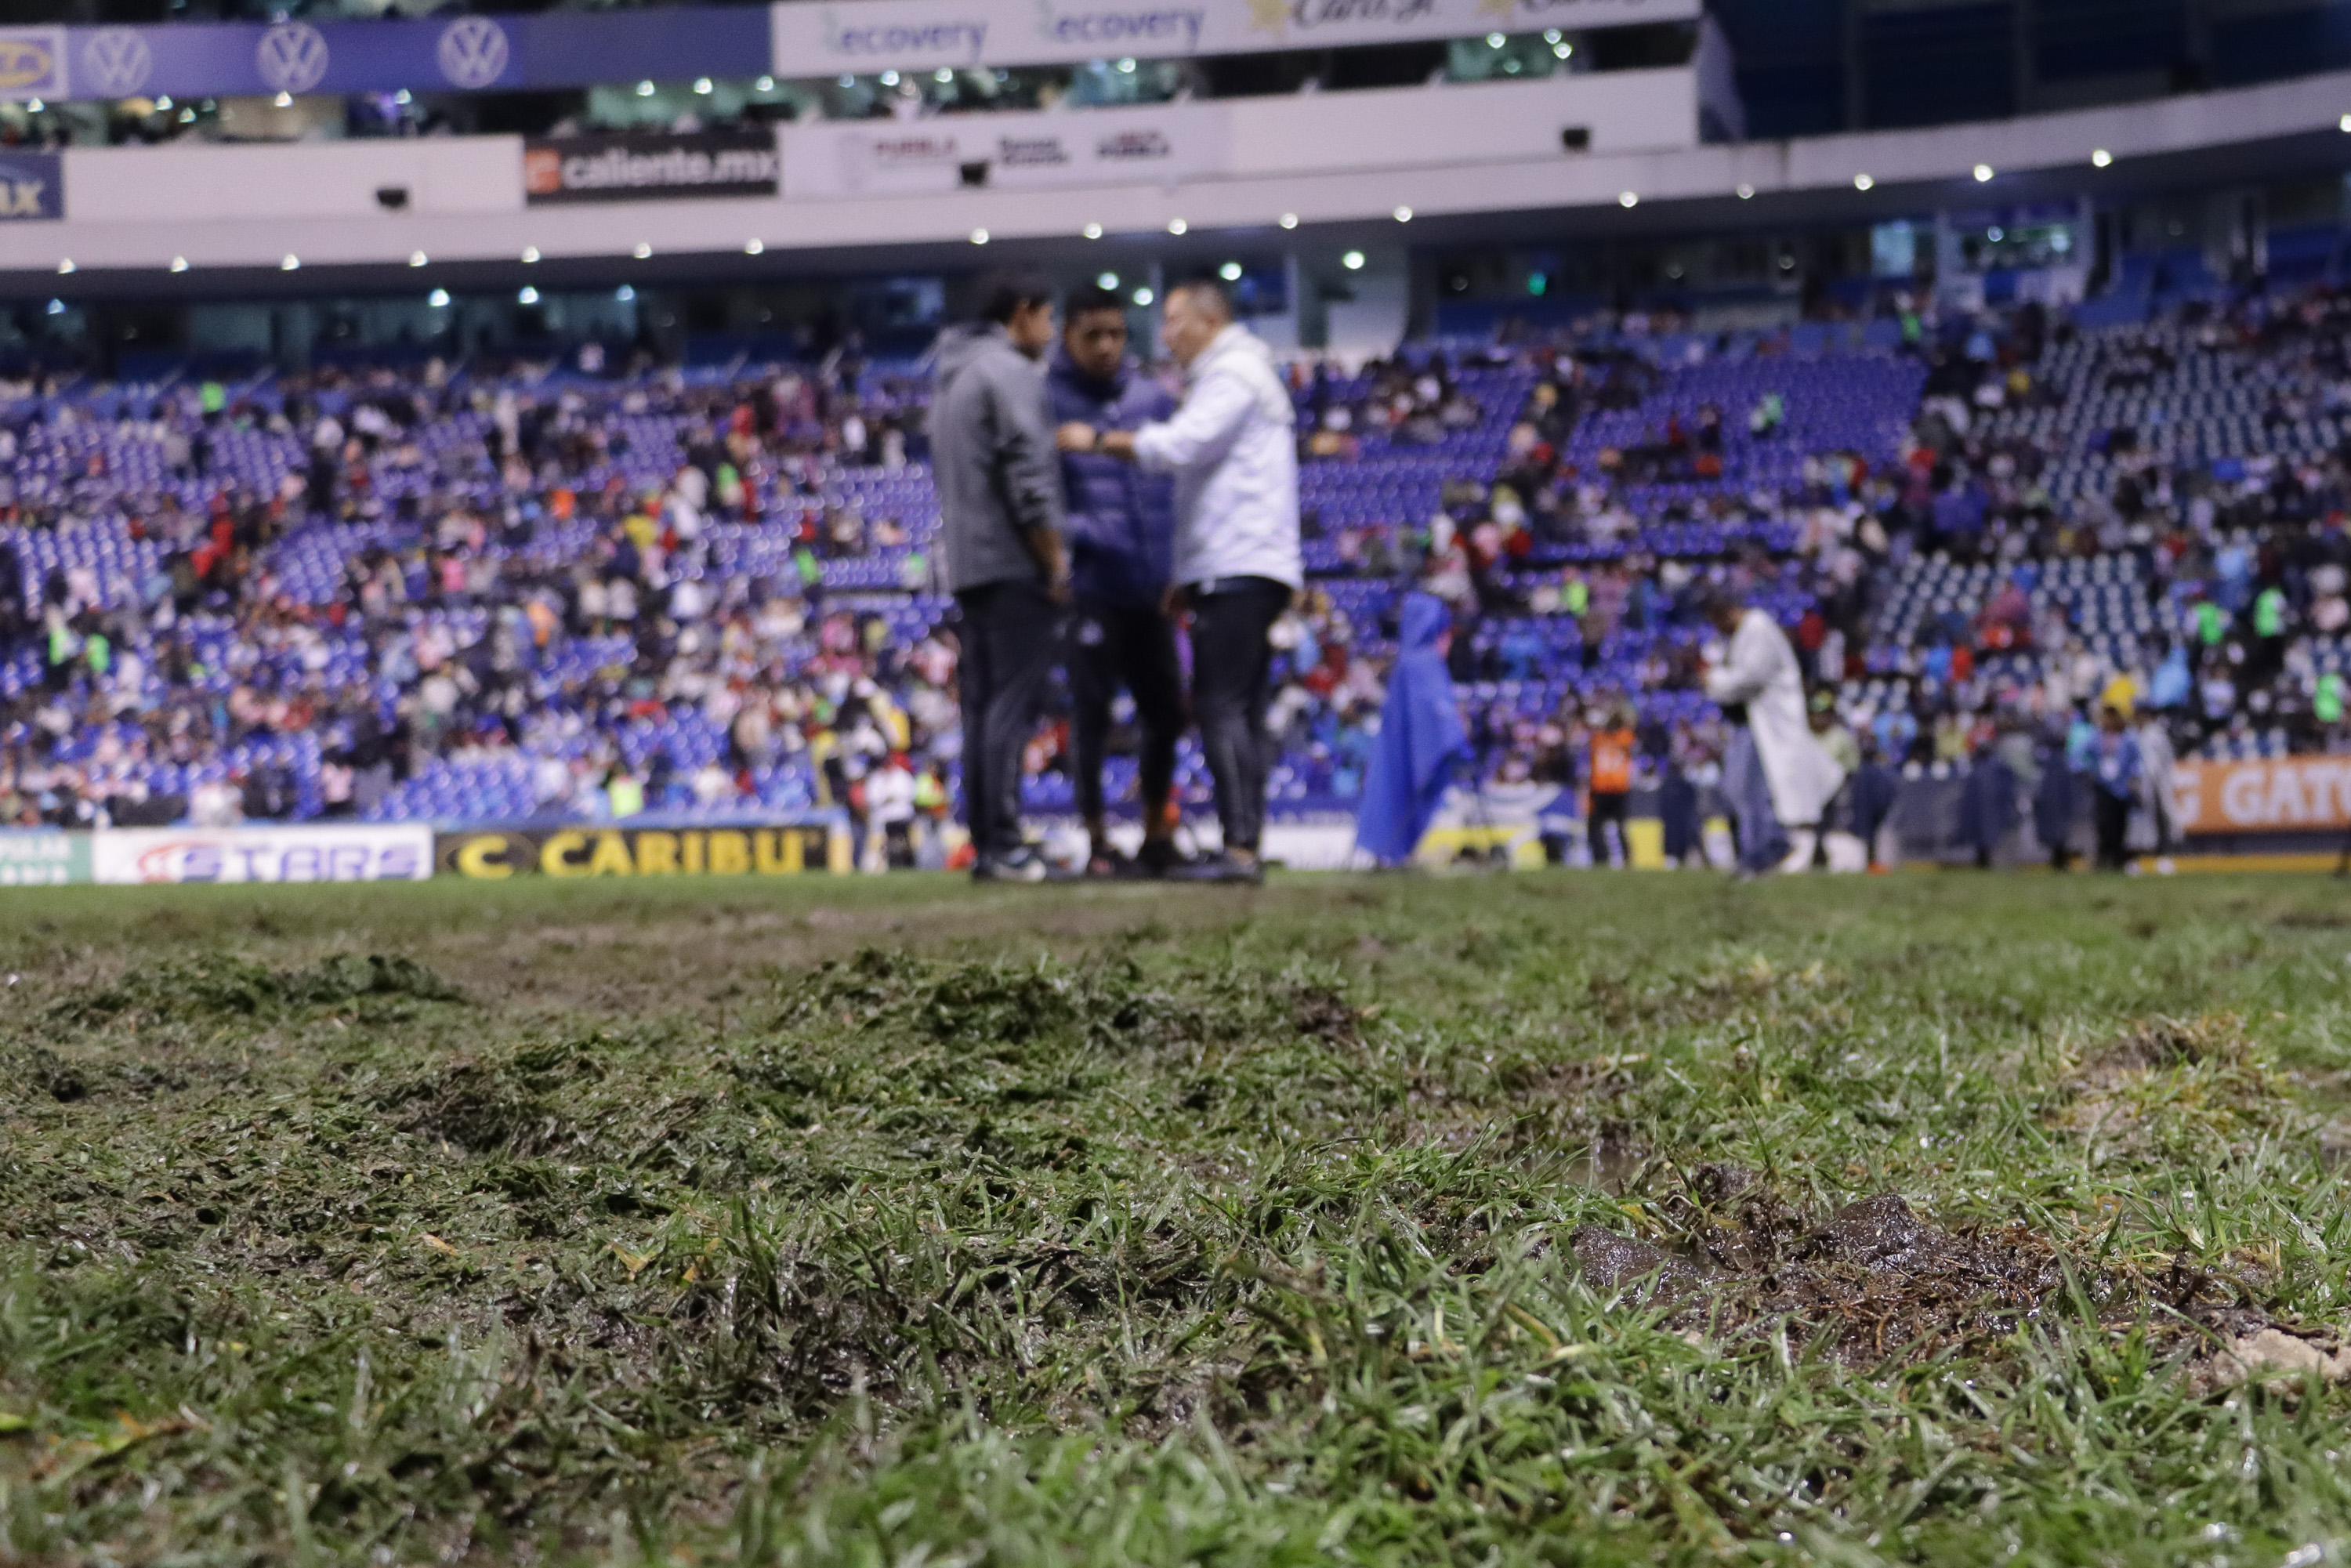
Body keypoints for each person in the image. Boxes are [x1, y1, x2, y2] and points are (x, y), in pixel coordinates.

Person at [1058, 280, 1302, 884]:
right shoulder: (1232, 374)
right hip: (1205, 567)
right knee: (1236, 709)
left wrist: (1096, 440)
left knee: (1219, 707)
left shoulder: (1231, 375)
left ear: (1207, 322)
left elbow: (1181, 448)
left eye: (1173, 321)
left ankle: (1239, 850)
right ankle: (1239, 843)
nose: (1164, 336)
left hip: (1233, 562)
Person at [930, 271, 1071, 883]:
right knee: (1011, 708)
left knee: (984, 709)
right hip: (1013, 560)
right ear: (1023, 314)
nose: (1052, 332)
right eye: (1048, 318)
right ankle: (1007, 843)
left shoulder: (952, 378)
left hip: (969, 564)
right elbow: (1028, 474)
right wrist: (1054, 558)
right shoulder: (1009, 372)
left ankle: (989, 844)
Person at [1047, 284, 1186, 878]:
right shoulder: (1047, 401)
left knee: (1167, 712)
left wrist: (1177, 566)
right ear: (1068, 336)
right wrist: (1075, 544)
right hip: (1092, 587)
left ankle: (1157, 832)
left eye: (1117, 334)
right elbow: (1039, 491)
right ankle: (1098, 841)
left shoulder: (1152, 398)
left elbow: (1174, 485)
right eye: (1093, 335)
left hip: (1152, 589)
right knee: (1092, 715)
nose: (1107, 346)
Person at [1701, 589, 1846, 878]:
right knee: (1740, 788)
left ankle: (1767, 848)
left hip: (1768, 725)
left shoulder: (1757, 627)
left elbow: (1750, 677)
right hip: (1755, 724)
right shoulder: (1748, 631)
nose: (1718, 629)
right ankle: (1760, 850)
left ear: (1725, 612)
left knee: (1748, 790)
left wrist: (1714, 679)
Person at [1355, 592, 1469, 866]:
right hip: (1420, 754)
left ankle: (1393, 852)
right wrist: (1456, 740)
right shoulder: (1423, 663)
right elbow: (1437, 717)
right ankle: (1396, 851)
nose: (1447, 642)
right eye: (1443, 634)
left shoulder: (1407, 662)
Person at [2089, 700, 2142, 871]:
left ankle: (2118, 858)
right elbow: (2081, 755)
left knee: (2120, 824)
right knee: (2105, 824)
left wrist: (2134, 777)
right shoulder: (2097, 737)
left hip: (2122, 787)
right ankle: (2104, 858)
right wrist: (2090, 770)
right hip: (2103, 786)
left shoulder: (2127, 738)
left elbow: (2137, 760)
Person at [1585, 701, 1636, 868]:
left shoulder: (1599, 739)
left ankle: (1602, 858)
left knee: (1598, 825)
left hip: (1603, 787)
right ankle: (1625, 857)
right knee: (1617, 824)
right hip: (1616, 787)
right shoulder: (1624, 737)